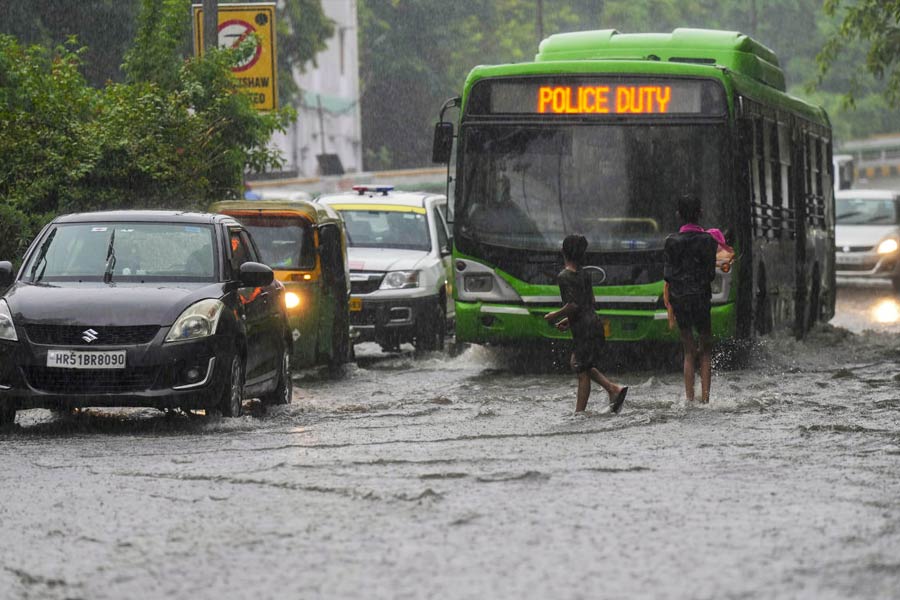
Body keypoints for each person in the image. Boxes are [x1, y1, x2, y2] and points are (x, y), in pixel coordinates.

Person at [544, 234, 628, 413]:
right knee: (579, 363)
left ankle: (580, 413)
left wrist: (555, 315)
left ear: (563, 252)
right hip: (593, 323)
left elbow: (573, 305)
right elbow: (589, 302)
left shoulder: (564, 276)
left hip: (583, 328)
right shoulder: (585, 274)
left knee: (581, 370)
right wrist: (568, 320)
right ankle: (612, 389)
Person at [663, 194, 719, 403]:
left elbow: (668, 275)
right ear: (700, 213)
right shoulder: (708, 240)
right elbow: (710, 274)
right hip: (701, 299)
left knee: (688, 351)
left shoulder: (670, 242)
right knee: (705, 350)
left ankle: (689, 398)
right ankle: (705, 399)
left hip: (680, 300)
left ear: (678, 215)